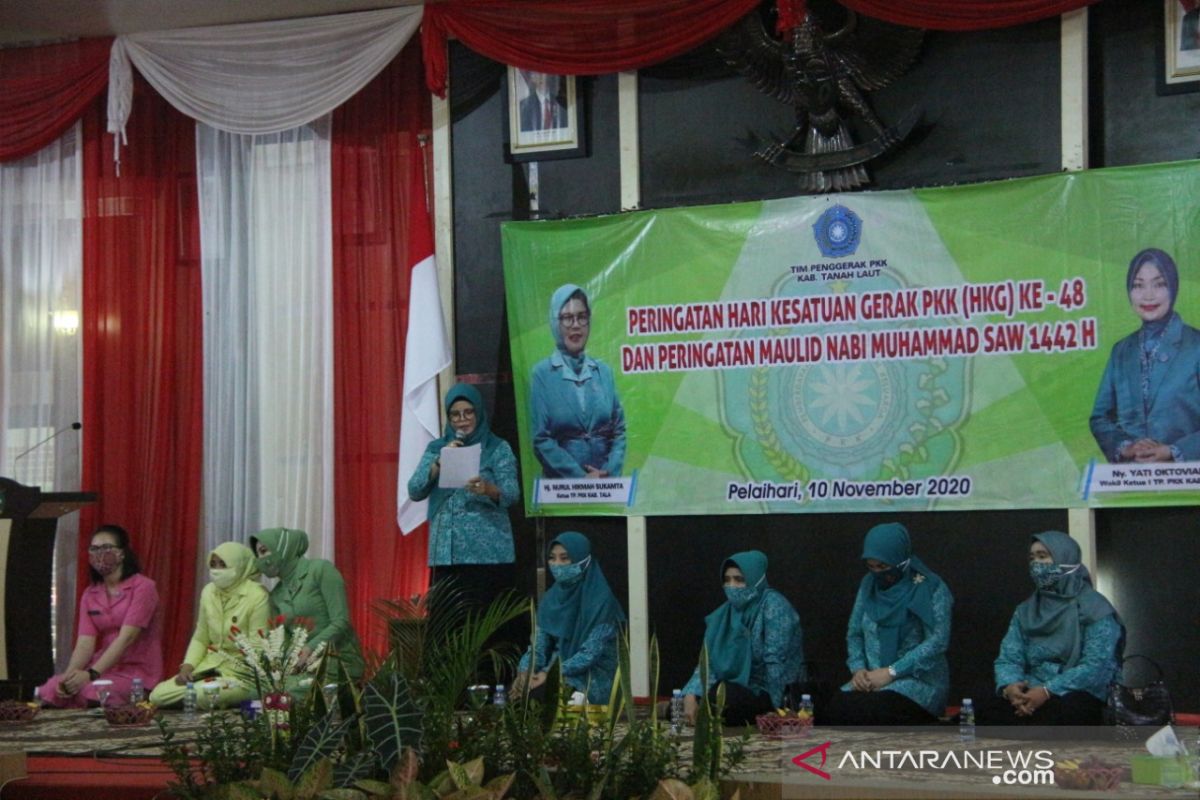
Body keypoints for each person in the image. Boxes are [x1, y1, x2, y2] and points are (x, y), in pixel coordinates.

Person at [976, 531, 1123, 726]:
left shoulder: (1095, 608)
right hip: (1032, 687)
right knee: (982, 701)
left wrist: (1047, 691)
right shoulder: (1026, 610)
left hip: (1075, 691)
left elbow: (1096, 666)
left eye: (1043, 557)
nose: (1036, 564)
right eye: (1032, 558)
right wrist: (1011, 687)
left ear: (1065, 559)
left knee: (1074, 709)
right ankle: (1025, 714)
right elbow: (1009, 657)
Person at [824, 523, 952, 725]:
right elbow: (855, 632)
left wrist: (892, 672)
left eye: (883, 566)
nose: (877, 572)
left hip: (917, 681)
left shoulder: (930, 588)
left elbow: (937, 641)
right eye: (871, 566)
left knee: (879, 711)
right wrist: (858, 671)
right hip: (870, 681)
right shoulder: (869, 585)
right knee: (832, 711)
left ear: (900, 560)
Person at [407, 383, 520, 609]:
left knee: (484, 626)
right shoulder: (436, 448)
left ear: (478, 413)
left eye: (468, 412)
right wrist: (439, 461)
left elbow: (512, 494)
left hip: (487, 554)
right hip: (446, 554)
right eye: (455, 415)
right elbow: (415, 490)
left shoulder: (497, 448)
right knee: (448, 626)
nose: (462, 420)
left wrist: (487, 489)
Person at [1090, 248, 1200, 463]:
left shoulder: (1195, 345)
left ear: (1173, 287)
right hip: (1134, 484)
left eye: (1159, 284)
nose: (1148, 295)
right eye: (1138, 285)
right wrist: (1127, 447)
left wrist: (1173, 451)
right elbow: (1100, 418)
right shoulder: (1121, 350)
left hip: (1190, 483)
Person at [37, 525, 162, 707]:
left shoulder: (144, 587)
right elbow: (84, 644)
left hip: (136, 671)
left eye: (106, 548)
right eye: (94, 549)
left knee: (94, 692)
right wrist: (70, 676)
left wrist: (92, 674)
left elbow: (127, 638)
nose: (100, 554)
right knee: (50, 689)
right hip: (103, 669)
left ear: (122, 553)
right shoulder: (90, 594)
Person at [681, 550, 805, 726]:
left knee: (723, 699)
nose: (731, 586)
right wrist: (691, 695)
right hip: (731, 688)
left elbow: (777, 664)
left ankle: (706, 708)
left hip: (766, 691)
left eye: (739, 580)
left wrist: (778, 710)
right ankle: (699, 707)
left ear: (756, 579)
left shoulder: (775, 607)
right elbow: (706, 665)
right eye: (727, 580)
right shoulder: (723, 615)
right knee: (682, 706)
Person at [149, 542, 270, 709]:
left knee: (202, 693)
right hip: (210, 667)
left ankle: (222, 697)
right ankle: (207, 697)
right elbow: (201, 637)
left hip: (243, 675)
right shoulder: (209, 591)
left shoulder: (258, 595)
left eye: (223, 564)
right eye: (213, 564)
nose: (216, 570)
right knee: (157, 695)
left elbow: (258, 646)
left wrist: (234, 673)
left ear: (240, 566)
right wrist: (187, 667)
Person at [513, 532, 625, 704]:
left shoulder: (601, 601)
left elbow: (590, 654)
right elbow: (539, 647)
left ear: (584, 560)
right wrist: (525, 671)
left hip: (592, 675)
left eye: (565, 558)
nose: (557, 565)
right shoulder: (550, 599)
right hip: (555, 669)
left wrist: (550, 674)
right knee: (515, 697)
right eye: (552, 558)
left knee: (541, 699)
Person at [530, 284, 626, 479]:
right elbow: (540, 438)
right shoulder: (542, 374)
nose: (575, 325)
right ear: (555, 322)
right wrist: (580, 478)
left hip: (606, 486)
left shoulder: (604, 372)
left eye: (582, 317)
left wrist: (607, 472)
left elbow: (619, 431)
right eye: (567, 318)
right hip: (562, 490)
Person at [250, 527, 364, 689]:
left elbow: (341, 621)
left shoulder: (321, 570)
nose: (260, 559)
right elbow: (282, 638)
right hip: (301, 669)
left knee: (285, 693)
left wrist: (310, 648)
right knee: (263, 689)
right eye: (258, 555)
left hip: (337, 662)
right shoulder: (276, 595)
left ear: (282, 546)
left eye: (263, 551)